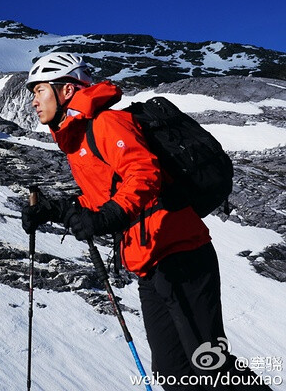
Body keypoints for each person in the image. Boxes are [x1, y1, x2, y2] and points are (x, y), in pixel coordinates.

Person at [21, 52, 272, 390]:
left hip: (179, 250)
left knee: (209, 362)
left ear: (66, 90)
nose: (33, 100)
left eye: (38, 90)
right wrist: (54, 210)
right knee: (173, 372)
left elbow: (144, 174)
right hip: (147, 264)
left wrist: (107, 216)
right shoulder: (77, 139)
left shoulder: (106, 123)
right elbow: (102, 197)